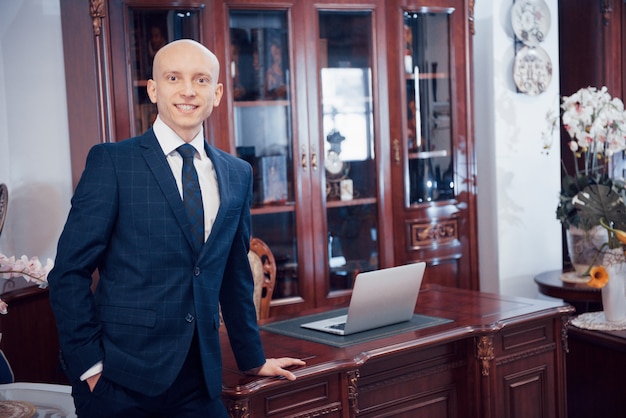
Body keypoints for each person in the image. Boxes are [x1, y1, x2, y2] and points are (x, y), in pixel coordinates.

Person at [48, 39, 305, 418]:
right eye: (173, 77)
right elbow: (68, 274)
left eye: (201, 80)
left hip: (199, 379)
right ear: (153, 89)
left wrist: (252, 358)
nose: (188, 90)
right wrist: (90, 366)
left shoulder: (237, 174)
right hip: (119, 380)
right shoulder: (113, 162)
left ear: (217, 93)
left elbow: (235, 275)